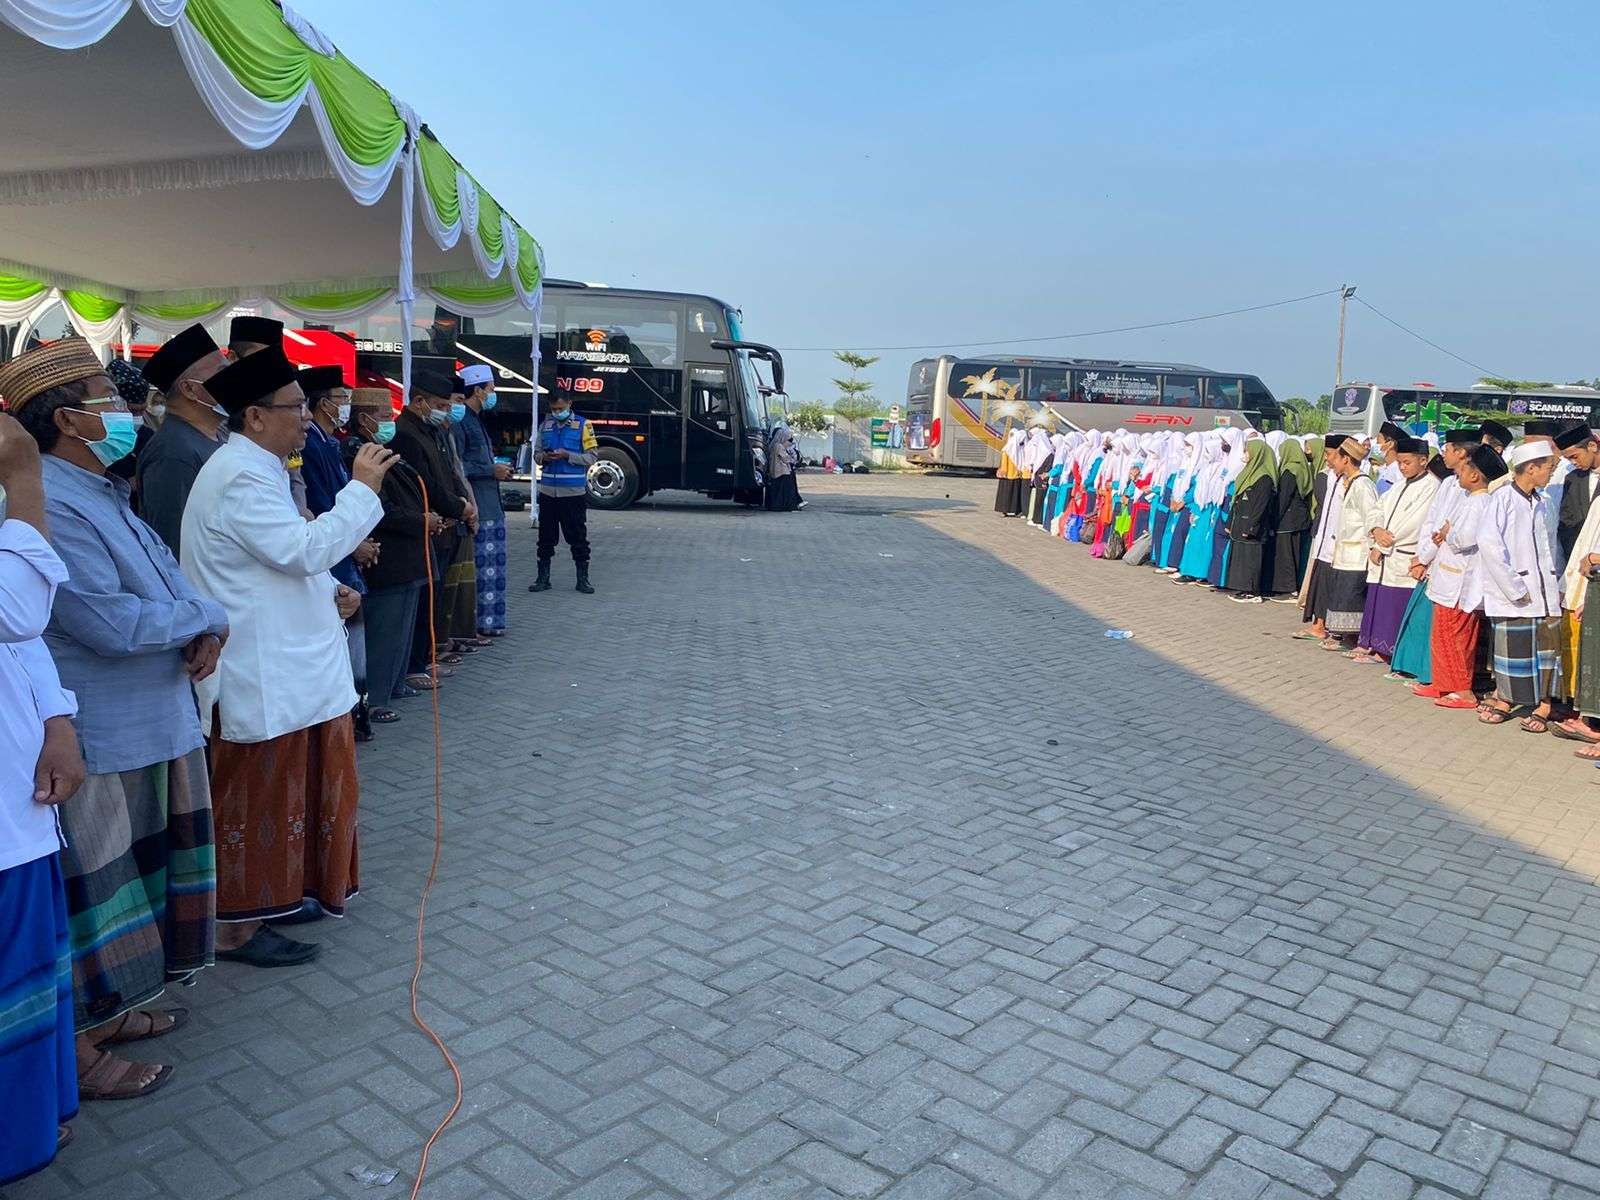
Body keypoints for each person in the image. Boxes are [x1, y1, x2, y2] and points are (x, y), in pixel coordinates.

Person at [4, 339, 229, 1099]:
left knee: (140, 880)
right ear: (67, 418)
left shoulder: (102, 488)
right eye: (109, 396)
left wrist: (201, 623)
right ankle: (85, 1047)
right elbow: (106, 620)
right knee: (99, 894)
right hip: (102, 735)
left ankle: (120, 1010)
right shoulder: (50, 503)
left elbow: (164, 590)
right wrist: (205, 614)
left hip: (153, 723)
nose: (129, 411)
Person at [180, 347, 398, 967]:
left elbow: (279, 559)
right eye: (295, 407)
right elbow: (297, 551)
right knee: (258, 800)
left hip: (294, 664)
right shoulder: (240, 474)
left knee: (296, 794)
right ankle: (235, 924)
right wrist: (361, 491)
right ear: (253, 415)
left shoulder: (262, 467)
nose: (307, 418)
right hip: (263, 671)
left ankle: (279, 898)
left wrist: (333, 588)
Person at [0, 411, 84, 1185]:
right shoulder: (22, 483)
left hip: (19, 781)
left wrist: (57, 718)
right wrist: (24, 476)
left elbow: (21, 638)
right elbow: (20, 606)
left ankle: (35, 1124)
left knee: (30, 978)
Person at [298, 366, 379, 741]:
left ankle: (354, 714)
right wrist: (353, 540)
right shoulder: (310, 445)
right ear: (322, 403)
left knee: (354, 644)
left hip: (345, 550)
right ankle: (343, 718)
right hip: (331, 556)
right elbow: (318, 505)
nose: (345, 405)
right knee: (341, 643)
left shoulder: (330, 441)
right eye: (341, 398)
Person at [345, 389, 432, 725]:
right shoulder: (355, 451)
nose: (388, 422)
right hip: (387, 551)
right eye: (383, 416)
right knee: (383, 630)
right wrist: (419, 521)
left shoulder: (383, 450)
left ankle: (394, 684)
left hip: (407, 550)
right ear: (364, 417)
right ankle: (376, 697)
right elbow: (382, 508)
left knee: (401, 627)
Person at [391, 372, 475, 683]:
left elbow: (447, 476)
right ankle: (413, 667)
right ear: (418, 402)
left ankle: (423, 661)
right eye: (439, 404)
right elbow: (425, 484)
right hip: (425, 526)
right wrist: (457, 507)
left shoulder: (431, 430)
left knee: (432, 600)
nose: (444, 410)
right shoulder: (406, 434)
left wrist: (461, 503)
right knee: (422, 603)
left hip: (443, 525)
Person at [1477, 441, 1564, 730]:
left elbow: (1552, 547)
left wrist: (1558, 581)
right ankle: (1505, 699)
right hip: (1515, 593)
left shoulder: (1545, 502)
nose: (1551, 473)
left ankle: (1544, 705)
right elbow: (1490, 546)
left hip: (1546, 591)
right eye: (1548, 467)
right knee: (1512, 650)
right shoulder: (1501, 499)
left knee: (1547, 651)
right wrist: (1515, 587)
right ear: (1531, 468)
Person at [1421, 444, 1505, 708]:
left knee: (1456, 636)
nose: (1459, 472)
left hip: (1461, 582)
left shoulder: (1482, 502)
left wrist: (1448, 533)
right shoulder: (1470, 499)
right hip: (1448, 577)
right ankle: (1444, 682)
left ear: (1475, 475)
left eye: (1465, 467)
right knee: (1442, 634)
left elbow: (1466, 538)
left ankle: (1462, 690)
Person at [1389, 430, 1477, 685]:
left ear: (1460, 452)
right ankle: (1426, 674)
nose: (1444, 454)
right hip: (1432, 559)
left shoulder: (1469, 489)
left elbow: (1450, 531)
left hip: (1449, 565)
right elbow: (1432, 523)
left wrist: (1425, 556)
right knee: (1429, 625)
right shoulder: (1449, 482)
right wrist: (1422, 555)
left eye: (1448, 448)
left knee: (1444, 629)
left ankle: (1437, 679)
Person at [137, 323, 229, 558]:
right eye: (222, 373)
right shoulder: (173, 452)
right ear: (189, 389)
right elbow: (174, 543)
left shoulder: (219, 434)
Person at [1349, 436, 1438, 666]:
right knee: (1379, 600)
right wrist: (1376, 529)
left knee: (1394, 605)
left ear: (1423, 460)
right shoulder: (1399, 484)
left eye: (1407, 462)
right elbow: (1377, 508)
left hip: (1401, 554)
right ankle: (1373, 644)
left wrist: (1382, 543)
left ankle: (1387, 651)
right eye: (1400, 462)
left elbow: (1415, 522)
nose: (1402, 466)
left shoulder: (1430, 487)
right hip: (1384, 554)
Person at [455, 365, 511, 636]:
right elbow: (458, 465)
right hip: (479, 506)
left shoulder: (476, 419)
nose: (493, 394)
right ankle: (478, 626)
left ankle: (491, 624)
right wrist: (491, 470)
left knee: (493, 570)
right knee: (481, 571)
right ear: (477, 390)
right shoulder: (462, 421)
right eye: (490, 389)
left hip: (492, 504)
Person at [530, 387, 599, 594]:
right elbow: (536, 454)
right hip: (549, 492)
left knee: (577, 536)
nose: (557, 412)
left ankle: (582, 579)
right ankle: (543, 578)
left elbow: (592, 457)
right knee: (545, 537)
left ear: (570, 405)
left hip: (573, 493)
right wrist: (544, 457)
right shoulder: (546, 425)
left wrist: (567, 455)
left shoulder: (584, 425)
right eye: (553, 409)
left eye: (560, 408)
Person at [1314, 437, 1379, 650]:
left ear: (1346, 459)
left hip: (1357, 554)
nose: (1331, 461)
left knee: (1352, 596)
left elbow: (1372, 518)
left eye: (1336, 457)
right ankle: (1341, 635)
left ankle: (1351, 638)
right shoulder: (1349, 483)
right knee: (1341, 594)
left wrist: (1373, 547)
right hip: (1343, 552)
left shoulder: (1363, 485)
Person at [1297, 434, 1349, 639]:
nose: (1327, 459)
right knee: (1319, 583)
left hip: (1337, 542)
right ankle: (1317, 624)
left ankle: (1328, 627)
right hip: (1323, 539)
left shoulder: (1351, 481)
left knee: (1331, 586)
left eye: (1330, 454)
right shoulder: (1329, 476)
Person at [1223, 437, 1276, 603]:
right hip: (1239, 523)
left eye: (1247, 451)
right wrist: (1230, 522)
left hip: (1252, 527)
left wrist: (1251, 526)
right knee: (1241, 557)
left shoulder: (1264, 478)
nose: (1245, 454)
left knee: (1252, 559)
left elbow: (1260, 506)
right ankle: (1242, 587)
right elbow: (1236, 500)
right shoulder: (1246, 474)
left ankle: (1252, 591)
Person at [104, 358, 155, 508]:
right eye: (132, 411)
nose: (137, 418)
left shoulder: (147, 438)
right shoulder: (93, 438)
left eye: (142, 410)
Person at [1267, 434, 1313, 600]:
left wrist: (1274, 520)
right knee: (1296, 553)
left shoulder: (1289, 471)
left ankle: (1288, 589)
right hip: (1300, 518)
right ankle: (1295, 586)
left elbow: (1284, 497)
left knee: (1286, 555)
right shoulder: (1303, 467)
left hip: (1288, 519)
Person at [1555, 423, 1600, 561]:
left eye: (1575, 456)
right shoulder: (1573, 479)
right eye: (1568, 459)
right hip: (1580, 563)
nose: (1573, 462)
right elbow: (1566, 522)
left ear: (1592, 446)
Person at [765, 422, 803, 511]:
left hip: (776, 471)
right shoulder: (779, 446)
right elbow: (785, 458)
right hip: (781, 471)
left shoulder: (774, 445)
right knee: (786, 490)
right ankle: (786, 506)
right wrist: (794, 461)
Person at [993, 427, 1025, 517]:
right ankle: (1015, 511)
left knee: (1006, 494)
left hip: (1008, 476)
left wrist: (1003, 472)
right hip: (1015, 475)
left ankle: (1005, 511)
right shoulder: (1019, 448)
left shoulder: (1007, 448)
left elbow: (1003, 462)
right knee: (1014, 495)